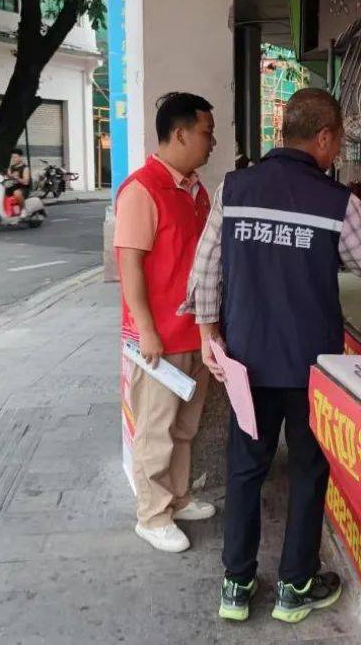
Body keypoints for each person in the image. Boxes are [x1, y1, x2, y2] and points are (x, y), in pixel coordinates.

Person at [181, 88, 361, 625]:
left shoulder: (234, 189)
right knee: (309, 470)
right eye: (337, 143)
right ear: (325, 137)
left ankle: (235, 587)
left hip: (246, 361)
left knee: (246, 469)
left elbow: (205, 272)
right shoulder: (337, 203)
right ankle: (295, 586)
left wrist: (210, 336)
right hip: (312, 368)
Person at [114, 91, 218, 553]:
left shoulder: (195, 191)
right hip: (159, 339)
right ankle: (151, 515)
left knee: (184, 428)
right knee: (156, 428)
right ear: (180, 134)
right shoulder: (142, 189)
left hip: (195, 332)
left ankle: (176, 498)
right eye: (206, 133)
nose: (211, 142)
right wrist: (147, 329)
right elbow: (129, 265)